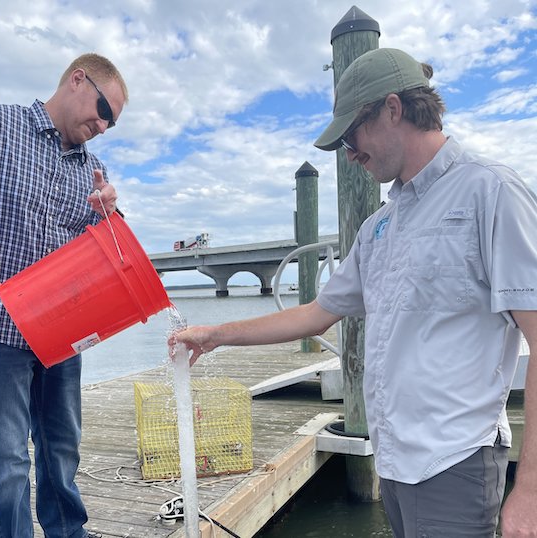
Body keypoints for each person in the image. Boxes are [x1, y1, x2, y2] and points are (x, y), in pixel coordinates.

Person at [170, 48, 537, 537]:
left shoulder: (492, 193)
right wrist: (216, 334)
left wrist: (529, 491)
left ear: (392, 108)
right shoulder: (380, 226)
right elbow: (317, 313)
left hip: (456, 460)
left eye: (351, 135)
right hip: (394, 463)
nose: (349, 152)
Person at [0, 53, 128, 538]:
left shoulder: (94, 169)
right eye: (104, 111)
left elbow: (108, 254)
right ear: (77, 80)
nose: (104, 126)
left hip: (63, 335)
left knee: (62, 448)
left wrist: (112, 214)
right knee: (6, 462)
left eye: (113, 123)